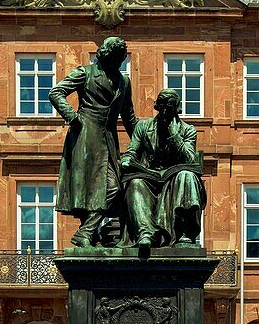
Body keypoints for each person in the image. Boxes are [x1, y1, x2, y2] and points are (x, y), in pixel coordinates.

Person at [49, 36, 137, 247]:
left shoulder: (124, 81)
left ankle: (85, 232)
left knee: (114, 187)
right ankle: (90, 233)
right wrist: (72, 116)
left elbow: (129, 116)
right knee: (87, 187)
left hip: (108, 138)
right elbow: (56, 92)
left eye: (120, 60)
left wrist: (144, 140)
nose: (117, 63)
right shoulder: (85, 73)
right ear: (105, 56)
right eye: (115, 59)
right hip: (85, 135)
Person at [120, 88, 206, 252]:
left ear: (177, 108)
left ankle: (185, 234)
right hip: (149, 177)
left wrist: (174, 136)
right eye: (163, 107)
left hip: (174, 179)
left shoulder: (188, 130)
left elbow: (189, 158)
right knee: (135, 183)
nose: (166, 111)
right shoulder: (143, 127)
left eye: (170, 108)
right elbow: (132, 151)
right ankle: (146, 235)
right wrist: (126, 159)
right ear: (157, 107)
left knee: (187, 176)